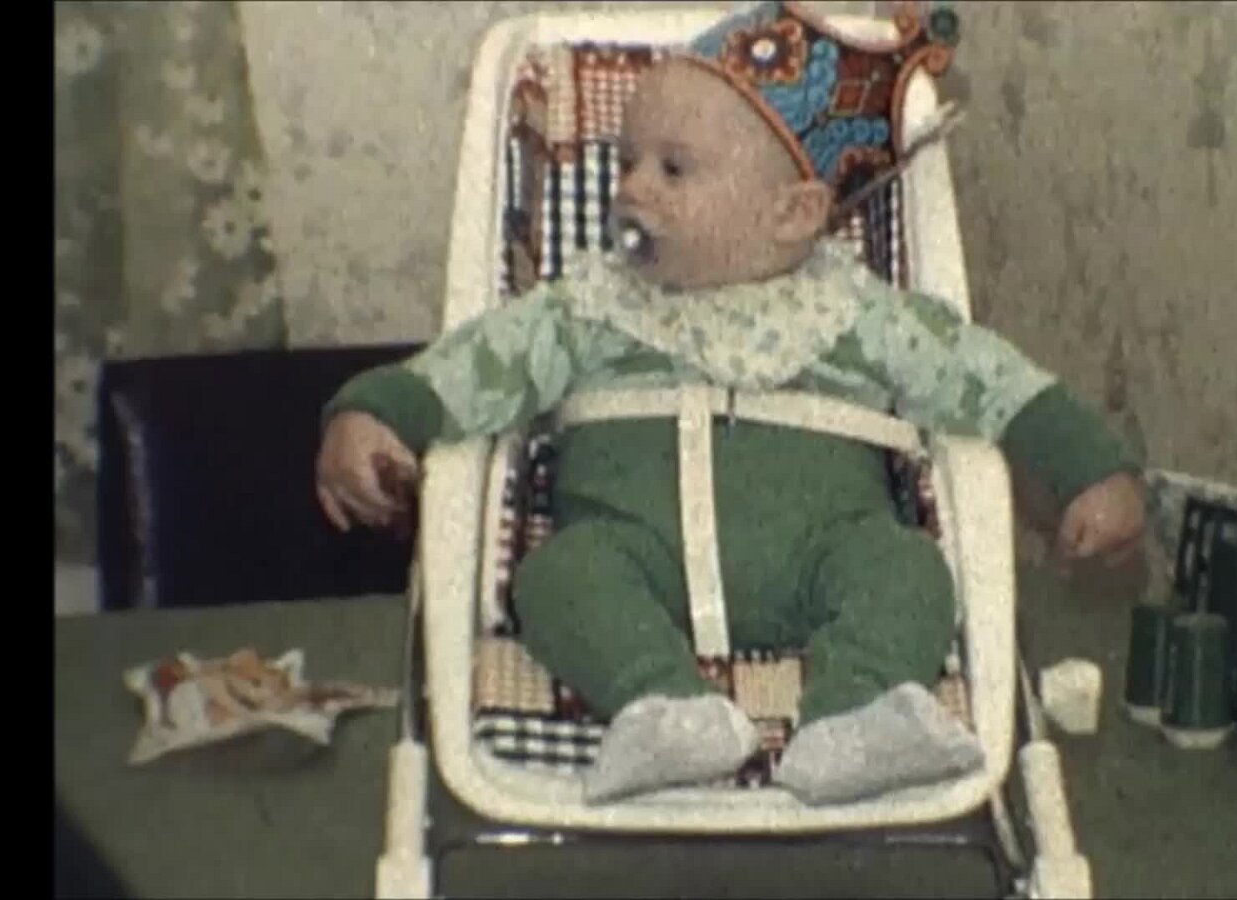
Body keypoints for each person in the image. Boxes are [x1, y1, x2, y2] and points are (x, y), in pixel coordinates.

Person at [314, 1, 1144, 806]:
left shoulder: (861, 314)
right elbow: (473, 366)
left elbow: (987, 377)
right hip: (631, 555)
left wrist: (1089, 469)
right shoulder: (585, 307)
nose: (632, 190)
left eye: (672, 169)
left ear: (793, 214)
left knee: (908, 572)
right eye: (626, 164)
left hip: (828, 550)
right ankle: (663, 705)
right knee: (556, 578)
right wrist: (376, 412)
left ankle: (855, 715)